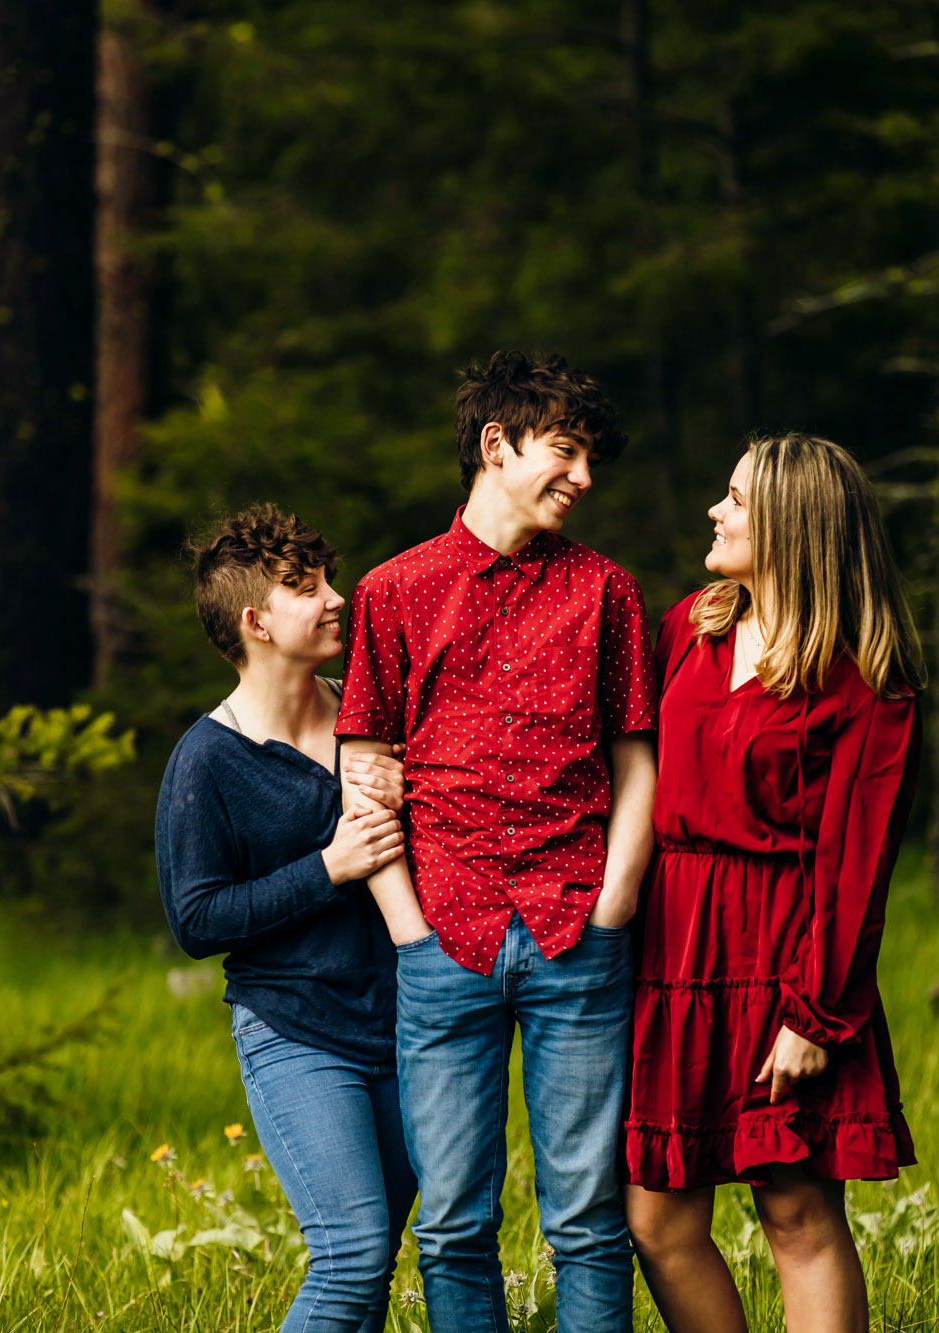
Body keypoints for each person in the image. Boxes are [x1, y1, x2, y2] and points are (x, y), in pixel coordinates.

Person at [335, 350, 658, 1333]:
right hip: (443, 944)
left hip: (576, 935)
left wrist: (611, 909)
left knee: (590, 1222)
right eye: (565, 450)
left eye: (591, 457)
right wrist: (405, 931)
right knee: (452, 1226)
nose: (584, 477)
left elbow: (635, 765)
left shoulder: (606, 592)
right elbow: (363, 759)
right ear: (495, 445)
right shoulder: (393, 591)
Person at [624, 433, 926, 1333]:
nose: (715, 512)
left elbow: (859, 862)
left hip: (782, 955)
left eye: (737, 500)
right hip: (673, 948)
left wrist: (816, 1011)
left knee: (794, 1210)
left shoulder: (865, 675)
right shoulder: (691, 625)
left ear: (796, 527)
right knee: (657, 1216)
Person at [154, 504, 418, 1333]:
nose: (337, 598)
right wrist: (328, 868)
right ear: (256, 621)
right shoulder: (207, 760)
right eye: (307, 588)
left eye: (329, 578)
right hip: (296, 1030)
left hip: (410, 1023)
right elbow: (197, 919)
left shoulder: (374, 718)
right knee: (349, 1254)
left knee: (379, 1263)